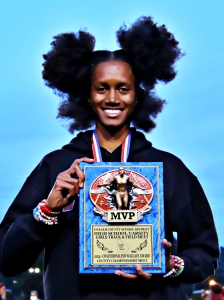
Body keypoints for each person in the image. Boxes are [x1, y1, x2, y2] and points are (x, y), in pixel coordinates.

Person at [0, 16, 219, 300]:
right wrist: (48, 210)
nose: (112, 98)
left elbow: (205, 253)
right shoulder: (57, 166)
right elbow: (7, 259)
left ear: (137, 96)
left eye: (123, 88)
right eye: (102, 88)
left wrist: (171, 264)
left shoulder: (169, 168)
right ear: (88, 96)